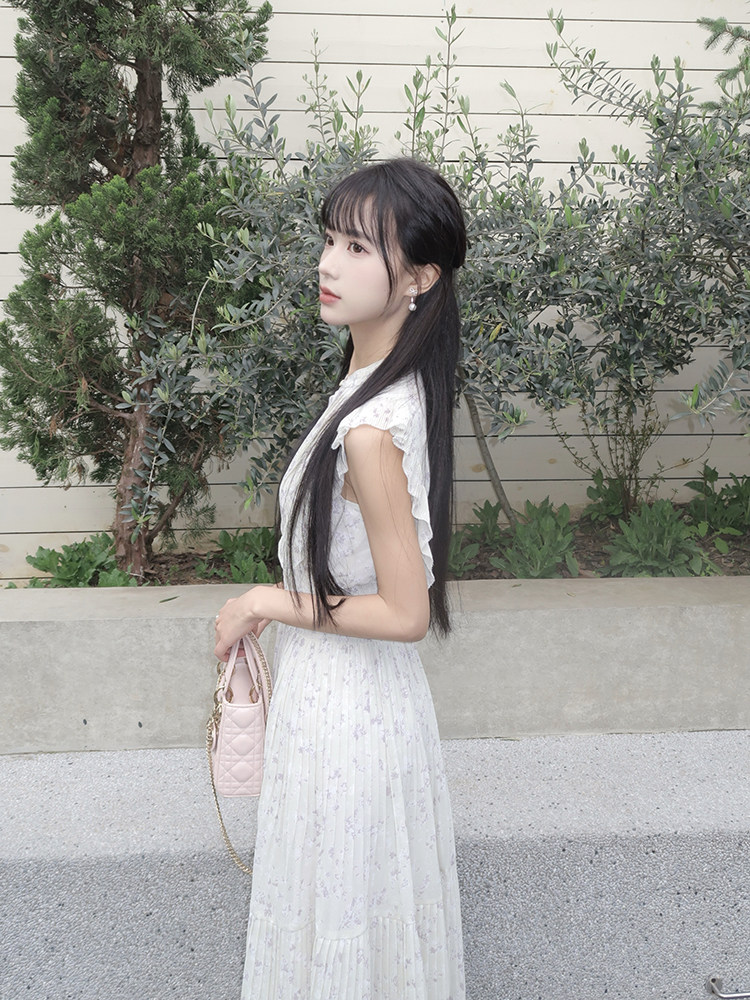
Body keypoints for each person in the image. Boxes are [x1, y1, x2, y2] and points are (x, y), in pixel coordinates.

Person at [213, 157, 467, 999]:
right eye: (329, 240)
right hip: (355, 705)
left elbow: (404, 612)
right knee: (359, 932)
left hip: (350, 715)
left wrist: (265, 600)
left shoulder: (371, 426)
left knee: (342, 933)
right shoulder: (377, 392)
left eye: (359, 248)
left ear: (420, 278)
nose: (328, 264)